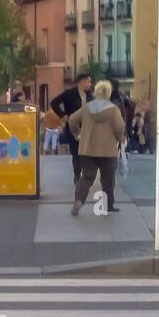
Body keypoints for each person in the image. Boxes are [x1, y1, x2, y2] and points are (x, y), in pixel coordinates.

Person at [68, 79, 125, 215]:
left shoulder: (87, 108)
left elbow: (72, 120)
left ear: (96, 92)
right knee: (108, 179)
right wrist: (119, 138)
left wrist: (77, 134)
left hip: (88, 149)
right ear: (109, 93)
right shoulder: (113, 109)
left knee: (87, 176)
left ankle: (79, 200)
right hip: (108, 150)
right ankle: (108, 205)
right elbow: (119, 127)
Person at [50, 71, 93, 188]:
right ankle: (77, 174)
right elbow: (54, 103)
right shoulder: (69, 94)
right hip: (74, 127)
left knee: (87, 152)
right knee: (76, 152)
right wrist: (63, 115)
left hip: (88, 127)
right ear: (82, 82)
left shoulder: (90, 96)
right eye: (88, 81)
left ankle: (86, 174)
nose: (90, 84)